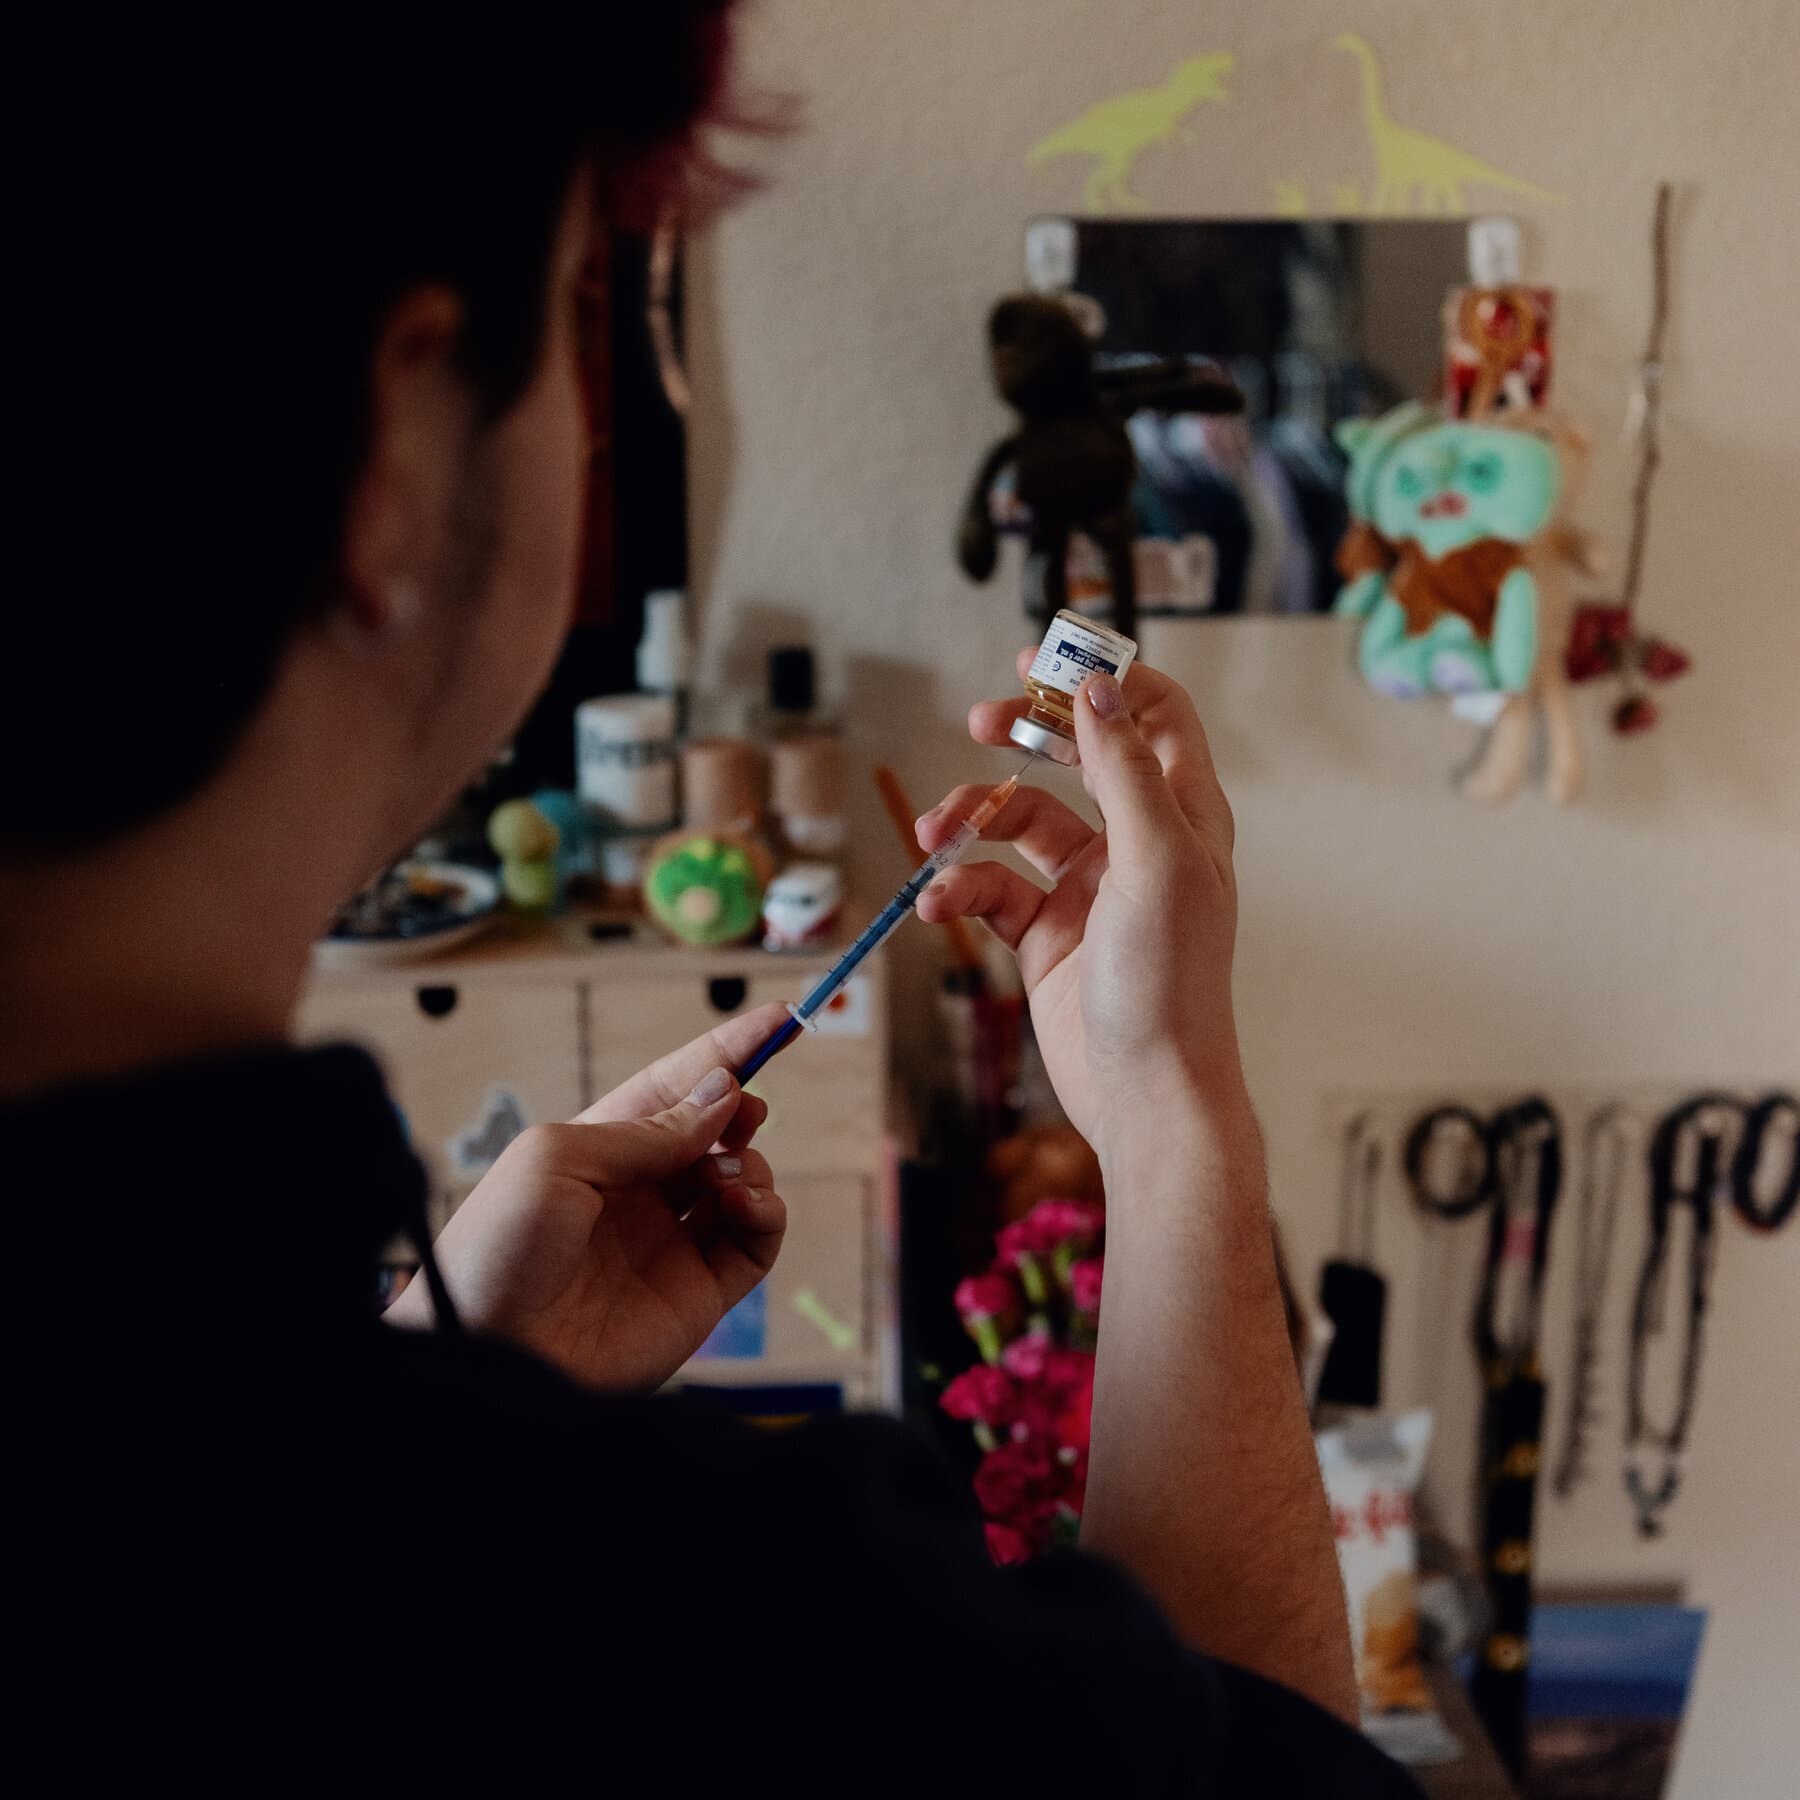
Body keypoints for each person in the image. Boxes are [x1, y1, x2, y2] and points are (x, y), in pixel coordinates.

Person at [3, 9, 1417, 1791]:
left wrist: (449, 1371)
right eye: (584, 322)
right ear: (391, 462)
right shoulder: (737, 1644)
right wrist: (1174, 1116)